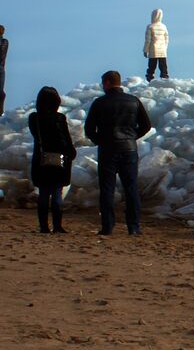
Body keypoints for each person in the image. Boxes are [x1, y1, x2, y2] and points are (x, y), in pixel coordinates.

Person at [84, 70, 153, 235]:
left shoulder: (99, 103)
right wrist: (132, 137)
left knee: (107, 188)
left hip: (108, 150)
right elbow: (146, 125)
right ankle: (134, 227)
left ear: (107, 83)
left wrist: (100, 140)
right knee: (131, 188)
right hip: (128, 149)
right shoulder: (133, 101)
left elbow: (89, 129)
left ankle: (107, 226)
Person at [28, 87, 77, 234]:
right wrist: (71, 152)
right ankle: (57, 226)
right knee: (56, 193)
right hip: (58, 159)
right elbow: (65, 139)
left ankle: (43, 226)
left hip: (41, 159)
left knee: (43, 192)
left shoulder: (34, 118)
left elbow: (36, 135)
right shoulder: (59, 118)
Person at [143, 9, 170, 81]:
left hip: (153, 49)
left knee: (151, 66)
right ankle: (165, 79)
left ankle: (150, 79)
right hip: (162, 50)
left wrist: (145, 50)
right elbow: (166, 39)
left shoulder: (150, 26)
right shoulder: (164, 26)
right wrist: (165, 48)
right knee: (163, 67)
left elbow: (148, 40)